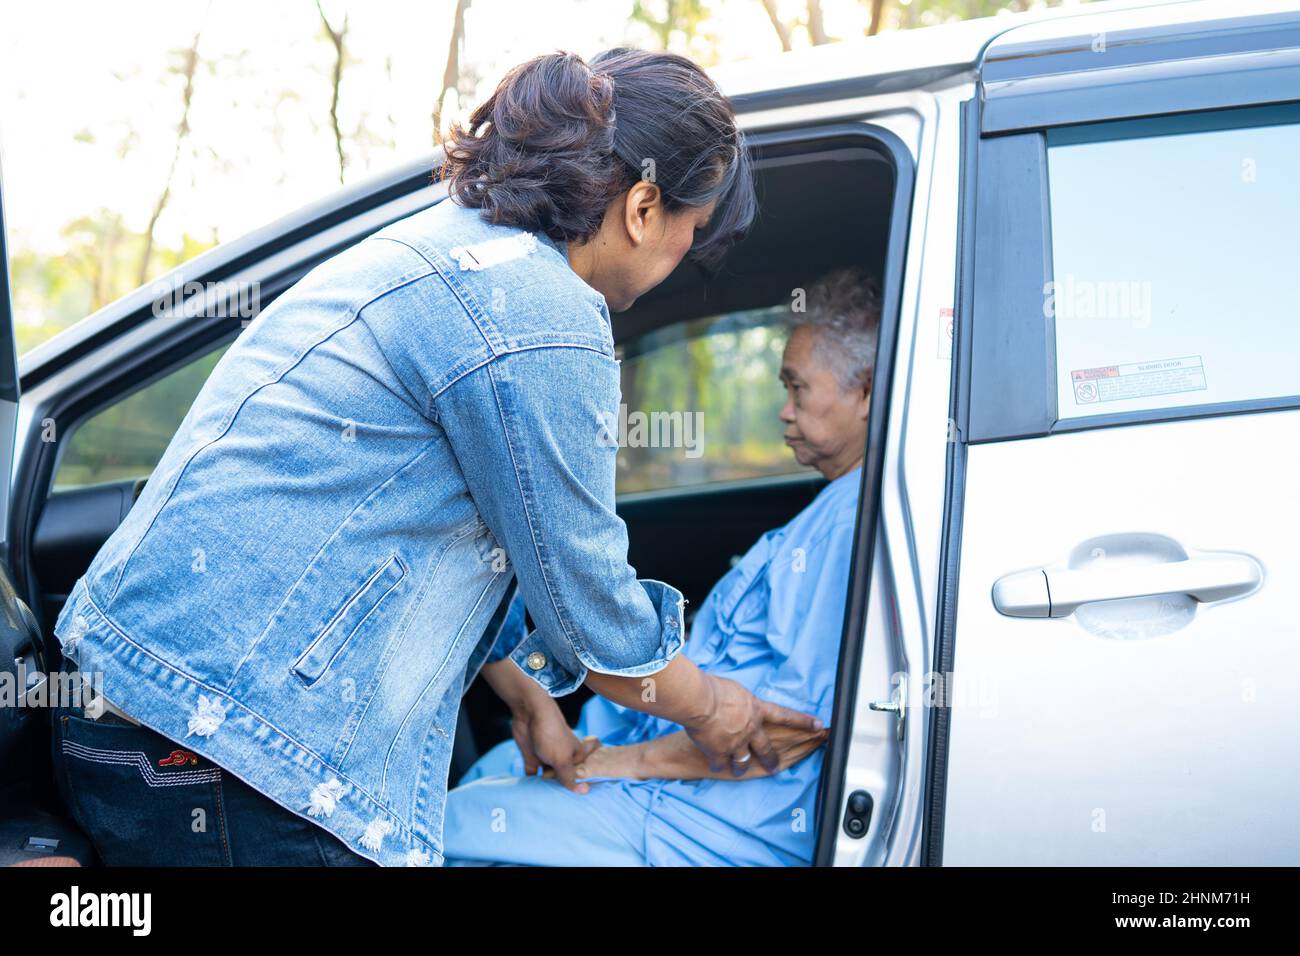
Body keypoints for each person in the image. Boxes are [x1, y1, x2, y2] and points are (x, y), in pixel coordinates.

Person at [50, 48, 823, 867]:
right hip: (237, 752)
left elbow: (417, 511)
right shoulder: (544, 312)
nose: (679, 261)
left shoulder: (445, 246)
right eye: (689, 232)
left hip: (136, 709)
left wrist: (526, 695)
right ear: (641, 206)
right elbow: (590, 605)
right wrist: (713, 710)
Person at [443, 268, 881, 866]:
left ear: (865, 393)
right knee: (491, 775)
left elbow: (797, 728)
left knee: (449, 829)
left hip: (710, 811)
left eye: (797, 389)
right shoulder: (833, 507)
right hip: (672, 768)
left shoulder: (848, 523)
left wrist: (615, 764)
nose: (783, 411)